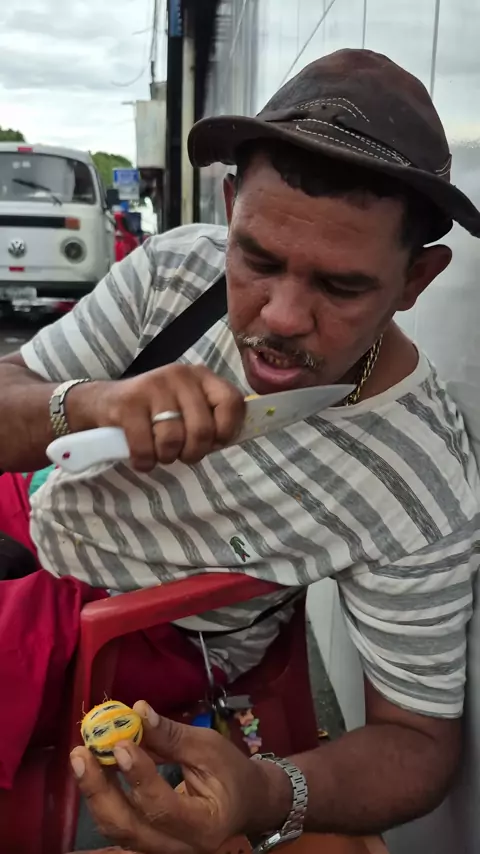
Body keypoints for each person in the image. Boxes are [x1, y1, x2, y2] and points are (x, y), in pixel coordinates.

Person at [0, 46, 479, 841]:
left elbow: (419, 745)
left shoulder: (420, 482)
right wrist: (84, 405)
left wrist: (264, 794)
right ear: (230, 207)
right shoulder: (175, 273)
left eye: (341, 285)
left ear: (416, 280)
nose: (282, 317)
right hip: (27, 505)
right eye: (256, 259)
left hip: (146, 639)